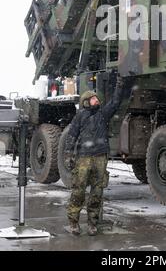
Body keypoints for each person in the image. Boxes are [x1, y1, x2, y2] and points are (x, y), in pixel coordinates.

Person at [65, 75, 124, 236]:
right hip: (83, 158)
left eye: (96, 98)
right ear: (86, 101)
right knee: (78, 190)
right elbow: (72, 135)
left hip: (100, 157)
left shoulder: (103, 114)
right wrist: (68, 154)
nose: (96, 100)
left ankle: (92, 223)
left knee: (97, 192)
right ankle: (74, 222)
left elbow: (115, 103)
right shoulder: (80, 117)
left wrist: (119, 86)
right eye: (93, 99)